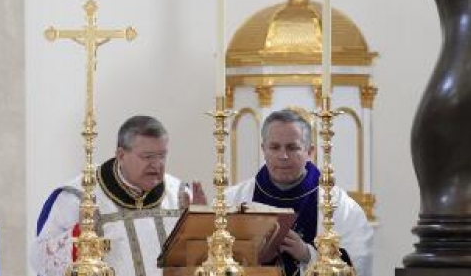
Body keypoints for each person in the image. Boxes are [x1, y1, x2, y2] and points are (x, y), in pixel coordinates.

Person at [30, 115, 205, 276]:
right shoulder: (79, 197)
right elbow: (39, 260)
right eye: (148, 156)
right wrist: (79, 234)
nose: (157, 164)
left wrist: (202, 226)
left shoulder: (181, 195)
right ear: (121, 155)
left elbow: (199, 262)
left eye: (162, 156)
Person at [225, 109, 373, 276]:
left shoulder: (340, 206)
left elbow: (359, 261)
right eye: (274, 147)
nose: (283, 156)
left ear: (310, 152)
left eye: (292, 147)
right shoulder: (233, 200)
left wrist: (308, 254)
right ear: (263, 150)